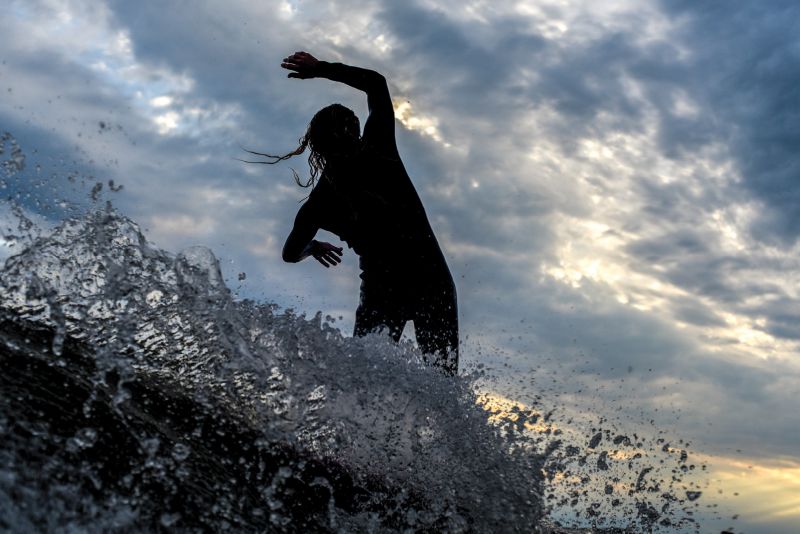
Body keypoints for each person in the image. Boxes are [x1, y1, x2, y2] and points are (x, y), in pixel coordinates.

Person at [253, 51, 458, 375]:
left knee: (365, 387)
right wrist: (319, 69)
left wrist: (313, 247)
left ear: (315, 147)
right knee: (444, 383)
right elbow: (376, 84)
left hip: (383, 292)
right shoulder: (378, 150)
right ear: (357, 131)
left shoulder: (319, 204)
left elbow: (290, 254)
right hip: (428, 278)